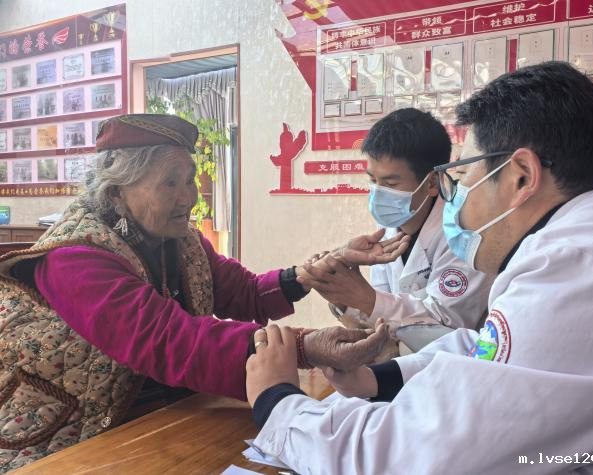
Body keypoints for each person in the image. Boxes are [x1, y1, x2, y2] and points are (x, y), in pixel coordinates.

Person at [245, 62, 593, 474]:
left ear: (521, 178)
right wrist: (378, 378)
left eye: (461, 176)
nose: (457, 196)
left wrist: (277, 402)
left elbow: (410, 456)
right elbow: (487, 352)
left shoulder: (577, 264)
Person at [0, 114, 397, 472]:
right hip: (71, 435)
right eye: (170, 182)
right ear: (117, 191)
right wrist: (303, 347)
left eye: (189, 179)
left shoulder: (181, 240)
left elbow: (245, 292)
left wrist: (310, 274)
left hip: (161, 415)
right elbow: (166, 339)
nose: (189, 197)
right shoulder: (73, 258)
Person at [299, 108, 494, 354]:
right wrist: (342, 296)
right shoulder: (389, 225)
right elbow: (381, 318)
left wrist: (365, 299)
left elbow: (448, 326)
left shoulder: (463, 231)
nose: (379, 193)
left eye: (390, 183)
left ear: (432, 182)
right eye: (373, 181)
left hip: (456, 366)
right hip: (400, 363)